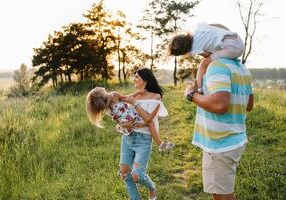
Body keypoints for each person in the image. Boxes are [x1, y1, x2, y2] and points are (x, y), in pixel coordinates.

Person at [183, 57, 254, 200]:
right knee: (222, 192)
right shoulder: (241, 68)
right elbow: (249, 105)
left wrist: (191, 95)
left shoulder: (216, 66)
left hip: (220, 144)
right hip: (234, 139)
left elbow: (219, 105)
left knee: (223, 195)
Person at [118, 68, 169, 200]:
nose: (134, 79)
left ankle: (152, 188)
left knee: (137, 175)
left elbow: (148, 119)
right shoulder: (133, 95)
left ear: (145, 80)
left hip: (143, 140)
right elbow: (120, 107)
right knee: (125, 173)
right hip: (128, 138)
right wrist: (122, 123)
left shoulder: (156, 97)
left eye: (136, 77)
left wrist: (134, 103)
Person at [85, 87, 174, 152]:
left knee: (147, 123)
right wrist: (137, 93)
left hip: (126, 124)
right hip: (132, 116)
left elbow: (117, 117)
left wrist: (137, 93)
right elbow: (126, 98)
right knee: (150, 123)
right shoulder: (114, 95)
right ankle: (160, 144)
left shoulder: (106, 107)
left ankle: (153, 138)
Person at [168, 22, 244, 93]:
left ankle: (199, 88)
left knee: (203, 63)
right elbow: (219, 25)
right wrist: (227, 33)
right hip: (237, 39)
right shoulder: (199, 29)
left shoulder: (194, 49)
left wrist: (211, 53)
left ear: (183, 52)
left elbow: (207, 55)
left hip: (233, 50)